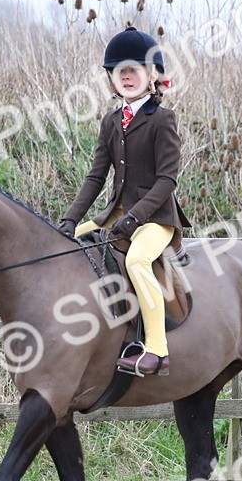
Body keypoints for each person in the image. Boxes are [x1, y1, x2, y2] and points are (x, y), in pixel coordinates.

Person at [57, 26, 191, 377]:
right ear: (112, 80)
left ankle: (157, 351)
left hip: (156, 218)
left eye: (134, 70)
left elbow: (167, 180)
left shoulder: (162, 120)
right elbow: (95, 177)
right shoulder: (111, 121)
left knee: (137, 260)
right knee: (64, 247)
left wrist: (135, 218)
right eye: (119, 71)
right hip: (116, 214)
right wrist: (70, 219)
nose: (126, 76)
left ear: (152, 76)